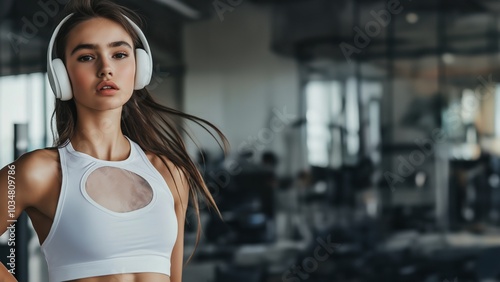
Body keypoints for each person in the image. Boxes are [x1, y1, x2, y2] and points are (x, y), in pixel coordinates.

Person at [0, 0, 227, 281]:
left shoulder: (169, 173)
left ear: (139, 68)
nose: (106, 68)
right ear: (62, 75)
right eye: (86, 57)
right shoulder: (39, 172)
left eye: (119, 54)